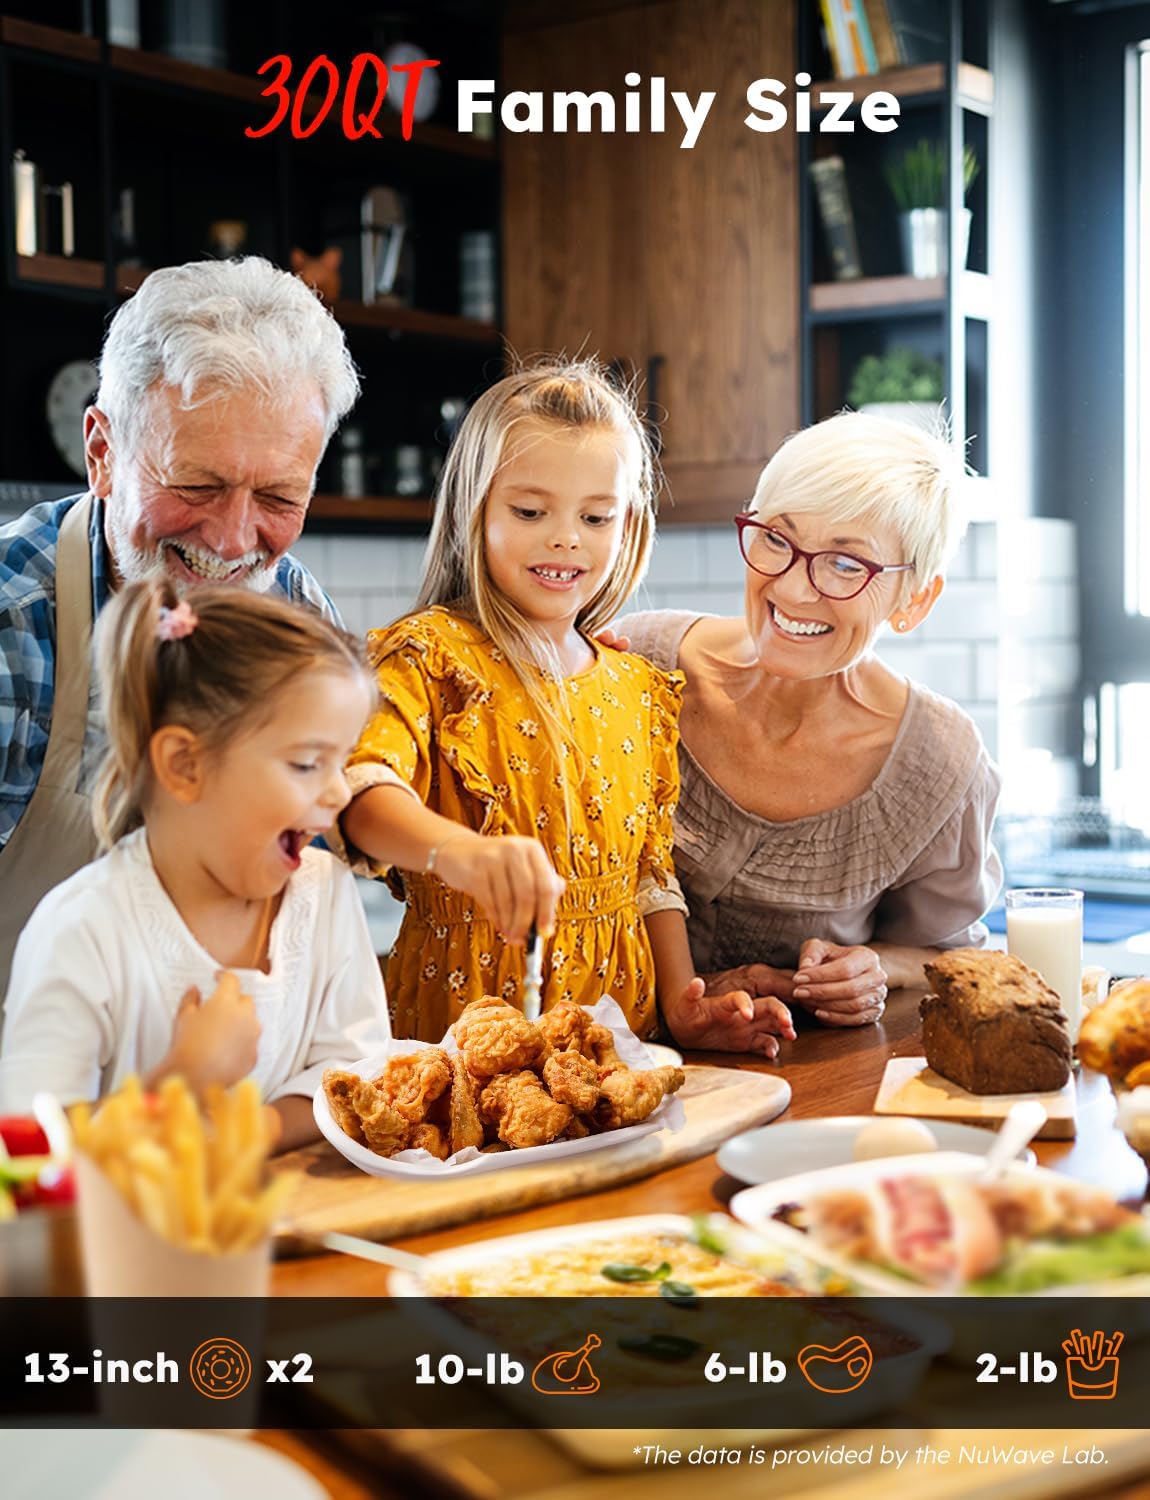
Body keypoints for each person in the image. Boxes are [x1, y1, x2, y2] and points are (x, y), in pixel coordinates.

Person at [337, 359, 796, 1055]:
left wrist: (682, 1004)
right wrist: (458, 853)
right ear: (474, 509)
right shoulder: (427, 655)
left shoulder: (636, 689)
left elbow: (650, 876)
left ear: (628, 523)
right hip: (461, 1034)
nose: (566, 538)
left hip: (623, 1043)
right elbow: (361, 794)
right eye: (529, 511)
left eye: (595, 516)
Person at [0, 256, 360, 991]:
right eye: (197, 484)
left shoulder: (301, 621)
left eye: (280, 497)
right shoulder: (14, 622)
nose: (232, 541)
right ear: (102, 453)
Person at [619, 412, 1002, 1027]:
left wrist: (875, 966)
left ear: (916, 600)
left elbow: (949, 957)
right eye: (776, 538)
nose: (795, 590)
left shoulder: (937, 761)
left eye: (847, 565)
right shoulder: (636, 664)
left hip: (801, 1096)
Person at [0, 581, 388, 1149]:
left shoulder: (322, 892)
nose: (337, 794)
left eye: (343, 760)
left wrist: (238, 1133)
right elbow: (26, 1151)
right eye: (307, 764)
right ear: (184, 765)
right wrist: (180, 1080)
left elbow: (357, 1072)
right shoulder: (83, 930)